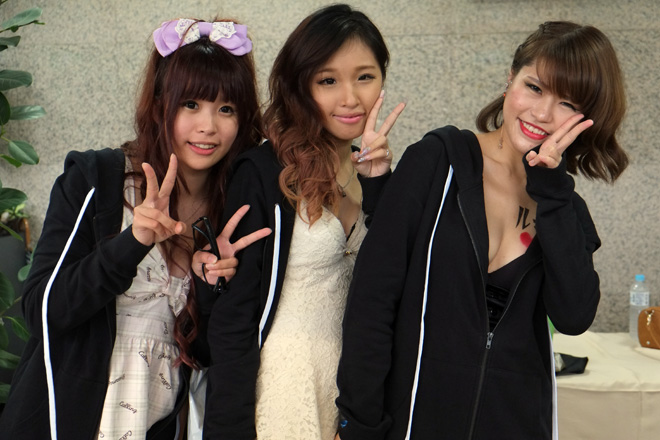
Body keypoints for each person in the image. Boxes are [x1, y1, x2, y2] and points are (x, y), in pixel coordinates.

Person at [335, 21, 629, 440]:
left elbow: (574, 317)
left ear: (585, 118)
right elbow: (372, 301)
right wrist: (359, 424)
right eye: (534, 87)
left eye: (567, 102)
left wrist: (552, 193)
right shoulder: (439, 162)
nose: (542, 114)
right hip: (415, 420)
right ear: (510, 80)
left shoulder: (566, 209)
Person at [0, 17, 270, 439]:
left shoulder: (228, 215)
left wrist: (208, 289)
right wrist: (133, 242)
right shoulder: (98, 180)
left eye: (226, 109)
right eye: (191, 104)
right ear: (160, 104)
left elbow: (206, 357)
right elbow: (42, 310)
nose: (208, 126)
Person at [200, 4, 405, 439]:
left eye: (364, 77)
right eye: (328, 81)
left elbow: (392, 287)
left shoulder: (376, 173)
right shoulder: (263, 172)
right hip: (282, 385)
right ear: (300, 87)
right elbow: (235, 317)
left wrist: (380, 183)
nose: (350, 98)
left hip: (356, 393)